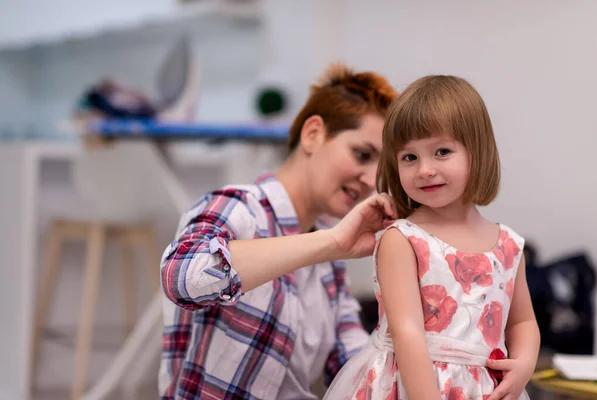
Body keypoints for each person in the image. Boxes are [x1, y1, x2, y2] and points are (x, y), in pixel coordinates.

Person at [158, 64, 399, 399]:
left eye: (382, 170)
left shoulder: (330, 265)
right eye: (362, 154)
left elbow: (355, 369)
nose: (371, 180)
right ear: (313, 133)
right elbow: (180, 274)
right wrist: (330, 242)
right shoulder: (239, 209)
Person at [323, 75, 540, 400]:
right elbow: (407, 333)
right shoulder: (404, 239)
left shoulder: (509, 245)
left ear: (477, 153)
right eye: (409, 157)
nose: (424, 169)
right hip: (412, 386)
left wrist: (523, 364)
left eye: (441, 151)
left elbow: (522, 321)